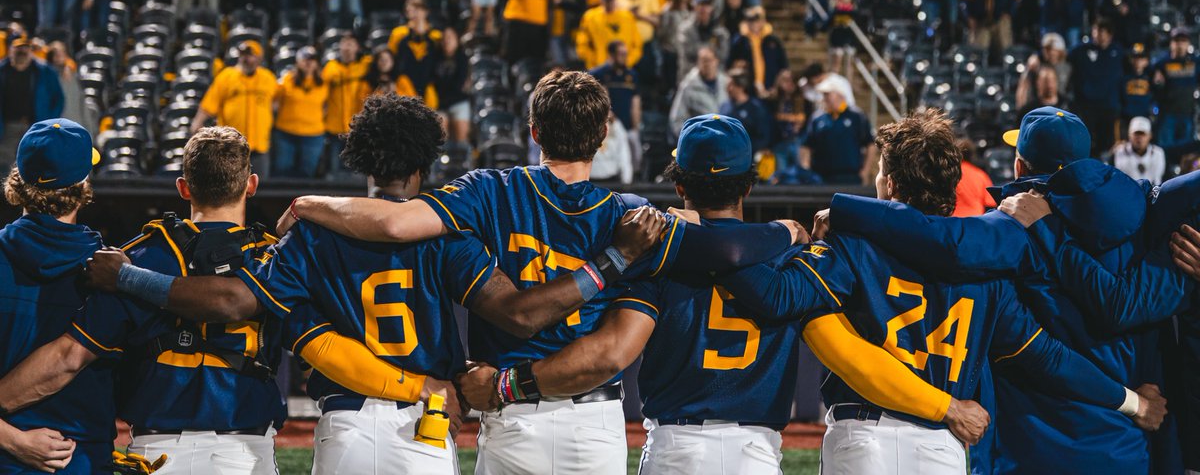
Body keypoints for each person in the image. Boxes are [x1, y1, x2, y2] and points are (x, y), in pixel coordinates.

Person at [278, 70, 809, 475]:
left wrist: (308, 203)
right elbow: (724, 247)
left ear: (532, 130)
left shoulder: (487, 190)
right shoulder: (629, 215)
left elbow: (394, 224)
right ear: (604, 134)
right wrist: (790, 230)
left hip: (506, 416)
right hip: (594, 423)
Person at [458, 114, 992, 474]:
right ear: (750, 184)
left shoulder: (660, 254)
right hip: (755, 453)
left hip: (676, 448)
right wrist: (787, 233)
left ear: (681, 185)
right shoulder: (798, 257)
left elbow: (617, 347)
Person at [731, 109, 1164, 475]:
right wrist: (1129, 402)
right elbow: (1046, 357)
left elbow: (778, 297)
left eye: (882, 172)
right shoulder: (989, 261)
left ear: (892, 185)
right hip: (942, 448)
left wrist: (737, 239)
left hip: (862, 436)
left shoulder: (852, 244)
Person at [0, 127, 286, 473]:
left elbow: (69, 356)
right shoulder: (275, 259)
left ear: (183, 187)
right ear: (251, 184)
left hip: (159, 449)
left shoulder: (135, 257)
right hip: (243, 450)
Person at [0, 119, 107, 474]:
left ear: (20, 179)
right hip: (82, 458)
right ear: (83, 185)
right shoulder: (111, 271)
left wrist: (13, 439)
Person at [192, 40, 277, 175]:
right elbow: (210, 103)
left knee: (259, 188)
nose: (245, 59)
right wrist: (197, 122)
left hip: (259, 146)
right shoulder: (227, 76)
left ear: (259, 58)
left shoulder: (268, 78)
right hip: (231, 146)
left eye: (250, 55)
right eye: (243, 55)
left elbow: (277, 101)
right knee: (230, 185)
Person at [0, 36, 64, 169]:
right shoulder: (2, 70)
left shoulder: (45, 71)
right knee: (5, 165)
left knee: (33, 164)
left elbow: (58, 99)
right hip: (7, 127)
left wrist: (49, 122)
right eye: (18, 48)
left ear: (31, 51)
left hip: (35, 126)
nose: (22, 52)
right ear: (10, 50)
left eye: (25, 48)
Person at [800, 78, 873, 185]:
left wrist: (865, 172)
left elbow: (870, 145)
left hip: (850, 177)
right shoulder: (817, 118)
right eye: (824, 95)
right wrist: (807, 170)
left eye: (828, 94)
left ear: (840, 94)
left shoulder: (857, 116)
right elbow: (806, 146)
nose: (825, 98)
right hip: (822, 178)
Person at [1069, 19, 1125, 154]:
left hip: (1109, 106)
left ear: (1110, 35)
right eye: (1096, 30)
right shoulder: (1081, 50)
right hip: (1086, 106)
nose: (1098, 35)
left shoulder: (1118, 51)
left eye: (1102, 32)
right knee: (1085, 143)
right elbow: (1061, 55)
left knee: (1107, 145)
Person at [272, 47, 328, 179]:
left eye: (312, 60)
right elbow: (275, 102)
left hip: (313, 135)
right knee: (283, 171)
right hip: (286, 133)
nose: (308, 63)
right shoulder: (287, 80)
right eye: (305, 59)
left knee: (307, 174)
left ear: (317, 63)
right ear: (298, 62)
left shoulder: (325, 83)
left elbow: (328, 106)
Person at [322, 32, 370, 177]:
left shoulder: (365, 65)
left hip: (358, 128)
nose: (347, 47)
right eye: (344, 43)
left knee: (357, 172)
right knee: (334, 171)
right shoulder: (331, 67)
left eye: (351, 44)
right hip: (335, 128)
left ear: (357, 47)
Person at [591, 41, 641, 167]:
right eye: (621, 54)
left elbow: (636, 102)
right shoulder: (598, 74)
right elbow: (601, 99)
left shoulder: (632, 75)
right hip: (610, 128)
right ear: (611, 55)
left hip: (629, 126)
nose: (624, 57)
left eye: (626, 54)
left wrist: (636, 126)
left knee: (635, 160)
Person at [576, 0, 642, 70]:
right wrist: (594, 61)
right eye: (606, 0)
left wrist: (627, 62)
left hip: (623, 68)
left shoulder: (627, 17)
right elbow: (582, 44)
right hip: (598, 69)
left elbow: (637, 44)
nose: (609, 2)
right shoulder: (590, 17)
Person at [1152, 27, 1198, 147]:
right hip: (1167, 115)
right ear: (1171, 43)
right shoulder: (1162, 63)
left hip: (1187, 114)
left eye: (1183, 41)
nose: (1180, 45)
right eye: (1177, 41)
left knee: (1186, 153)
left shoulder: (1195, 62)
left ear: (1188, 43)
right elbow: (1154, 86)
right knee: (1166, 151)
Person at [669, 46, 729, 138]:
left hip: (726, 140)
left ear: (716, 61)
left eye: (710, 60)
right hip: (701, 141)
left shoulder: (726, 83)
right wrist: (693, 139)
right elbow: (677, 120)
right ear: (698, 63)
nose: (707, 64)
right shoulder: (688, 86)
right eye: (704, 60)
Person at [728, 6, 788, 96]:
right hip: (747, 91)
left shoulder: (773, 41)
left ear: (763, 21)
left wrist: (776, 87)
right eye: (750, 20)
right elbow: (730, 65)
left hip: (771, 90)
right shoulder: (739, 41)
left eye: (757, 20)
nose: (754, 23)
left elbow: (784, 67)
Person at [719, 70, 770, 154]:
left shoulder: (755, 108)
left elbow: (763, 137)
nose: (727, 88)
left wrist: (744, 148)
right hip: (727, 156)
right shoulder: (724, 106)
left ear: (741, 86)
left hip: (748, 156)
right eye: (727, 85)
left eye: (730, 85)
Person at [1112, 116, 1165, 185]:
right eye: (1136, 134)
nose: (1139, 138)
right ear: (1129, 135)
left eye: (1143, 134)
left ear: (1150, 136)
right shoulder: (1118, 151)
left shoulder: (1158, 153)